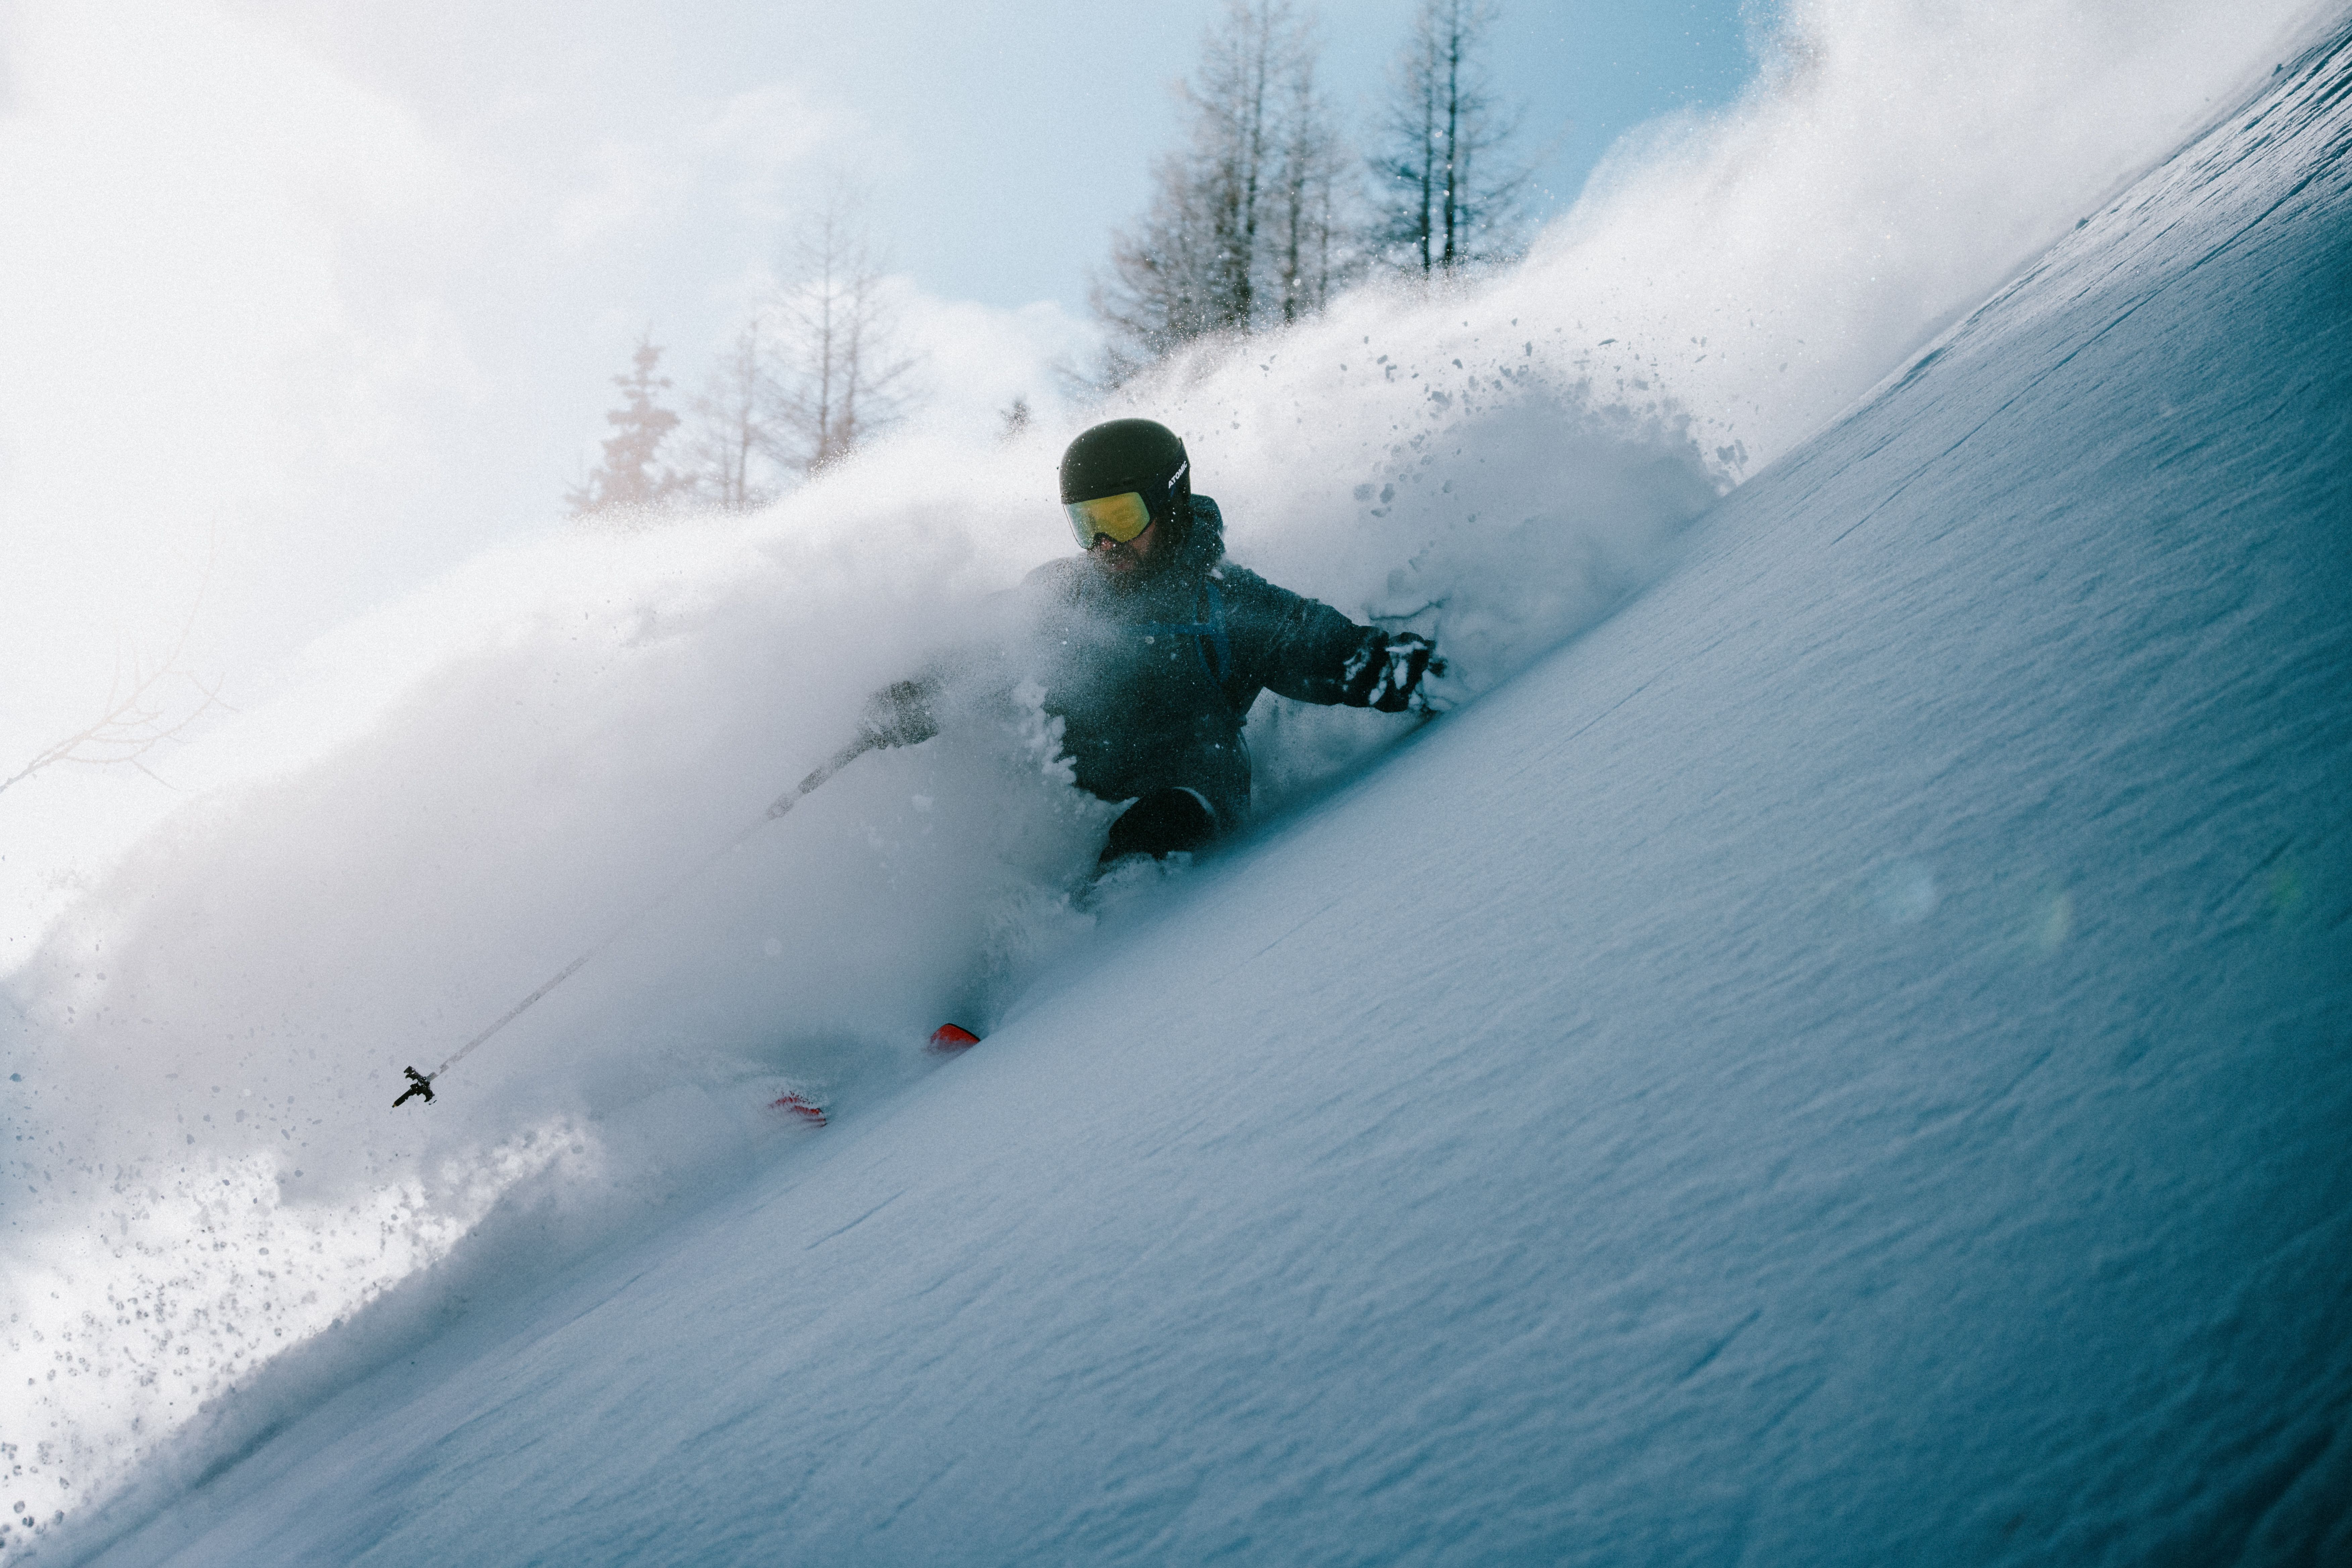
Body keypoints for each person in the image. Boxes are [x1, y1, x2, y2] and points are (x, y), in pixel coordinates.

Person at [860, 418, 1435, 864]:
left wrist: (1412, 670)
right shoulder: (1061, 595)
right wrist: (914, 699)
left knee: (1151, 832)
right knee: (985, 823)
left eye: (1122, 518)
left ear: (1171, 501)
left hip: (1187, 795)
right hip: (1076, 793)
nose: (1106, 543)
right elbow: (984, 653)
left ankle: (1106, 981)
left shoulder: (1229, 606)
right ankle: (975, 991)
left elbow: (1331, 651)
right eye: (1088, 524)